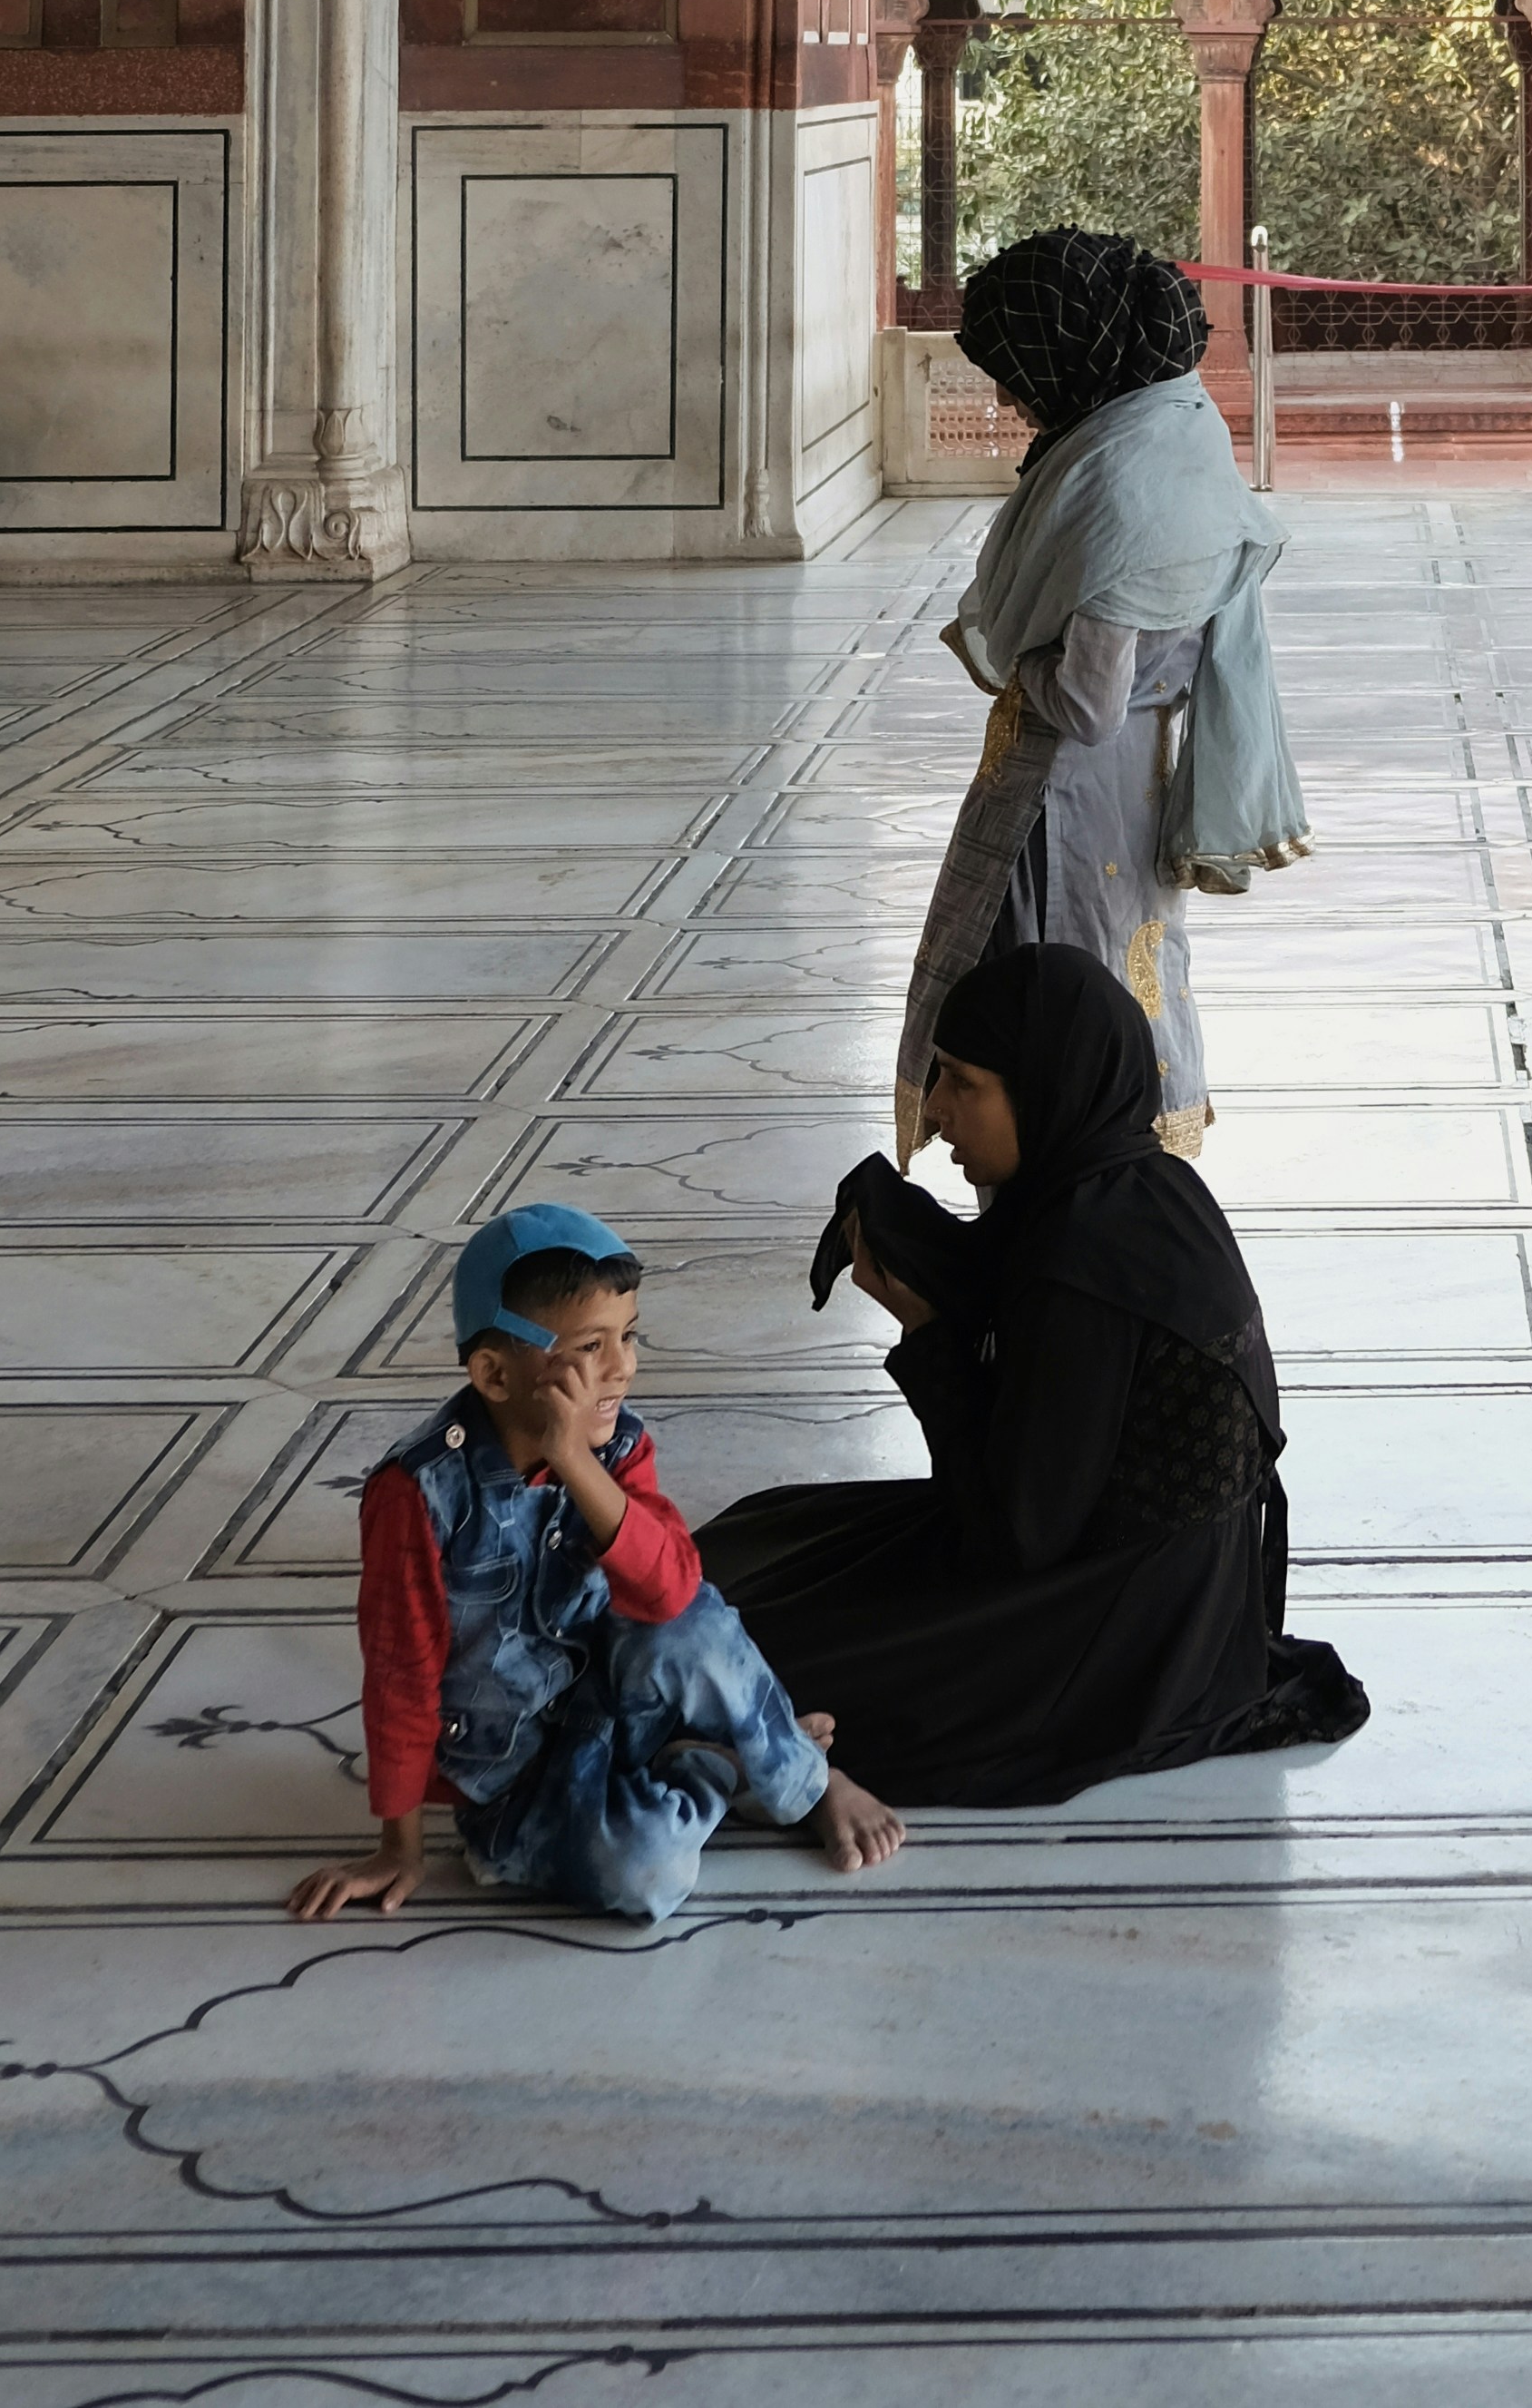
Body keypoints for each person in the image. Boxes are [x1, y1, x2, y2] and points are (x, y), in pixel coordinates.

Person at [700, 943, 1368, 1808]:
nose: (938, 1115)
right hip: (1170, 1586)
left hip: (1126, 1634)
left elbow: (1008, 1544)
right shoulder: (1142, 1185)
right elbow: (994, 1284)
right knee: (767, 1539)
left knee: (743, 1661)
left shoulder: (1081, 1263)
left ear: (1048, 1085)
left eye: (962, 1083)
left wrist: (928, 1335)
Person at [290, 1202, 903, 1923]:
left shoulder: (617, 1449)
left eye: (628, 1335)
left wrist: (575, 1462)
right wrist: (399, 1849)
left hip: (622, 1700)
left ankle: (807, 1782)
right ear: (494, 1372)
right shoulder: (417, 1497)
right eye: (589, 1346)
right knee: (647, 1875)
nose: (623, 1366)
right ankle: (720, 1762)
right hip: (520, 1783)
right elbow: (401, 1677)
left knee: (698, 1626)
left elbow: (673, 1593)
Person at [902, 225, 1311, 1161]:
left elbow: (1086, 705)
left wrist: (1022, 659)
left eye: (1015, 369)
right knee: (1128, 968)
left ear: (1072, 355)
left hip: (1074, 803)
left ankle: (1070, 1185)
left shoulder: (1118, 497)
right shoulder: (1166, 418)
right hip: (1128, 784)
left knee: (1060, 989)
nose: (1005, 396)